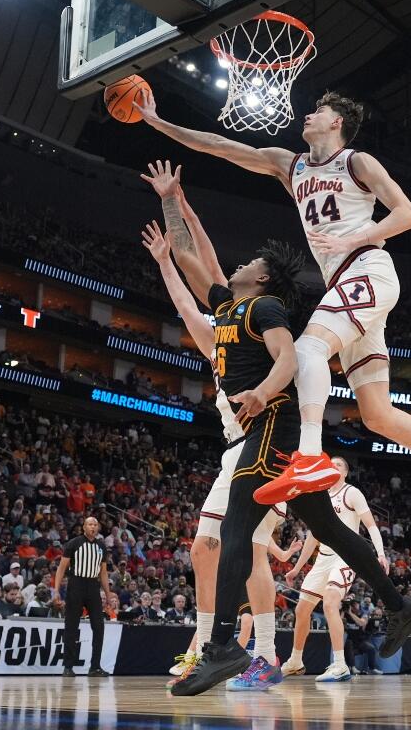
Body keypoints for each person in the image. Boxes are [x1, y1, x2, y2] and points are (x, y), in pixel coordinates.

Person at [135, 92, 411, 535]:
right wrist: (157, 122)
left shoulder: (356, 162)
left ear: (337, 124)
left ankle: (308, 457)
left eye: (319, 111)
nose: (308, 115)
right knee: (377, 415)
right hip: (347, 283)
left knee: (307, 348)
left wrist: (354, 238)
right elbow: (219, 146)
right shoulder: (291, 166)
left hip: (368, 268)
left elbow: (408, 215)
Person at [139, 163, 411, 697]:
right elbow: (187, 253)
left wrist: (262, 393)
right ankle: (400, 604)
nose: (238, 264)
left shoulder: (265, 306)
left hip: (274, 423)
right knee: (330, 527)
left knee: (235, 530)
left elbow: (289, 358)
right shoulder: (229, 305)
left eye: (249, 262)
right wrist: (170, 198)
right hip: (270, 426)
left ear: (264, 276)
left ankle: (223, 647)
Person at [141, 207, 295, 689]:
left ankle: (257, 651)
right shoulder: (218, 337)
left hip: (265, 439)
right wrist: (166, 258)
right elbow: (190, 299)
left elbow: (206, 267)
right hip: (238, 447)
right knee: (210, 550)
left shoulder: (251, 324)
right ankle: (215, 644)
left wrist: (182, 207)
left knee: (233, 547)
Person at [281, 457, 388, 681]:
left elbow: (370, 525)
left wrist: (380, 554)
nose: (334, 466)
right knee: (301, 610)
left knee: (330, 602)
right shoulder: (320, 496)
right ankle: (296, 660)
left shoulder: (352, 493)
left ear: (346, 472)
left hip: (346, 555)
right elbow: (313, 536)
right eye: (331, 464)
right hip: (323, 559)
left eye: (339, 465)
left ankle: (340, 664)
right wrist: (296, 569)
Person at [53, 516, 112, 677]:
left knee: (99, 626)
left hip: (93, 586)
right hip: (76, 585)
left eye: (95, 524)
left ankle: (95, 666)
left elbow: (104, 573)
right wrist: (56, 590)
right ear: (84, 527)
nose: (93, 527)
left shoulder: (101, 546)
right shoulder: (74, 543)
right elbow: (61, 568)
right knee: (71, 626)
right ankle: (68, 666)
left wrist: (108, 595)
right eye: (89, 524)